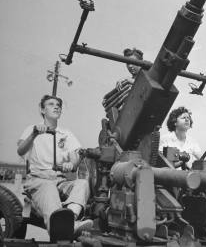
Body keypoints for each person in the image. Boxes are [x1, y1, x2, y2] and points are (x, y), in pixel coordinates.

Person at [17, 95, 92, 235]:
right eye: (51, 104)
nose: (56, 106)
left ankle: (70, 221)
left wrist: (72, 163)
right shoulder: (31, 130)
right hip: (38, 180)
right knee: (48, 186)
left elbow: (75, 156)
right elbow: (20, 150)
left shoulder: (66, 134)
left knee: (82, 184)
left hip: (60, 181)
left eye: (58, 105)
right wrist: (34, 134)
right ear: (42, 109)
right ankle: (57, 227)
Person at [102, 47, 143, 112]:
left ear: (141, 62)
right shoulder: (127, 81)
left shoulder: (148, 73)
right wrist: (108, 100)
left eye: (132, 62)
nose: (130, 66)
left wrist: (128, 80)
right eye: (127, 63)